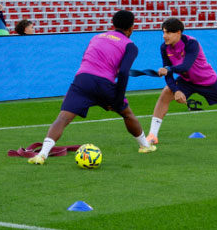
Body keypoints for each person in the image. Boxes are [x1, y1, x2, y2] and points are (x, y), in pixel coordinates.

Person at [27, 11, 155, 164]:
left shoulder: (96, 37)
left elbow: (87, 58)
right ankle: (145, 146)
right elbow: (124, 73)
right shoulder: (130, 46)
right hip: (103, 83)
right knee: (127, 114)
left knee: (62, 118)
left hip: (82, 80)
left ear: (112, 25)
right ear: (132, 28)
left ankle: (42, 154)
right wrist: (118, 100)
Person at [146, 18, 217, 144]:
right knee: (166, 94)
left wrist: (168, 69)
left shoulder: (191, 43)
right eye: (163, 32)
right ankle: (152, 135)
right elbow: (168, 75)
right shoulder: (164, 48)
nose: (164, 36)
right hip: (186, 81)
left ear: (178, 33)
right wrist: (176, 90)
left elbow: (185, 66)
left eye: (168, 33)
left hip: (207, 81)